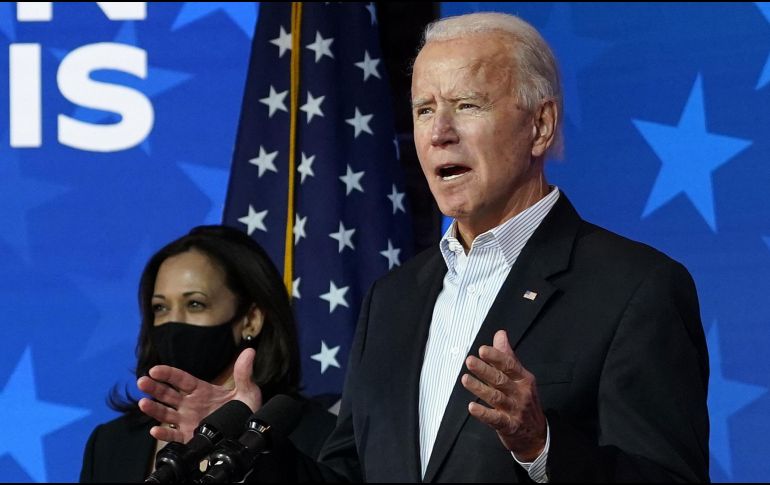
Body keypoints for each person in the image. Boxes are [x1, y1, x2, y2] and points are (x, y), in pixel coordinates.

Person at [141, 12, 710, 483]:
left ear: (540, 126)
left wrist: (541, 445)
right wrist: (249, 453)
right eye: (423, 110)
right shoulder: (393, 298)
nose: (439, 132)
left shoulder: (635, 288)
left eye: (468, 105)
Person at [78, 225, 336, 482]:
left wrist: (246, 444)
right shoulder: (111, 443)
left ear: (251, 320)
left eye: (195, 304)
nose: (174, 321)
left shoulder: (320, 435)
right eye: (160, 307)